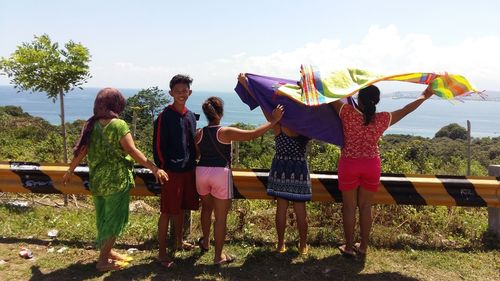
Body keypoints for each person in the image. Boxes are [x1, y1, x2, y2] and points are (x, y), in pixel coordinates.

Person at [63, 88, 168, 272]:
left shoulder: (91, 125)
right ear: (116, 104)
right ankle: (103, 261)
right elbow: (131, 150)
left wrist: (70, 170)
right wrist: (154, 168)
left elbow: (82, 151)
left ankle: (108, 252)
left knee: (103, 219)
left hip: (97, 181)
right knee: (114, 220)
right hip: (117, 180)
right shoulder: (118, 125)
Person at [330, 84, 433, 257]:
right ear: (377, 101)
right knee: (365, 206)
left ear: (358, 99)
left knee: (349, 207)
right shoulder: (383, 119)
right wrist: (426, 94)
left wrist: (310, 80)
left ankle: (348, 247)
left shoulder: (347, 113)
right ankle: (363, 246)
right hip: (371, 165)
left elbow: (329, 95)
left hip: (349, 163)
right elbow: (407, 109)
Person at [195, 96, 284, 265]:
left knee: (206, 210)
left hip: (201, 172)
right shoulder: (225, 132)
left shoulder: (199, 133)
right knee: (220, 218)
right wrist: (273, 120)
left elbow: (197, 154)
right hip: (220, 173)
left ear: (206, 114)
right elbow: (253, 135)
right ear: (220, 113)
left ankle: (205, 242)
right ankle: (218, 256)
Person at [238, 73, 311, 255]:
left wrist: (246, 84)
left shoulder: (278, 124)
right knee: (300, 209)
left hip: (280, 166)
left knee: (281, 208)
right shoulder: (306, 126)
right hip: (300, 168)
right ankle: (303, 245)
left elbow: (262, 102)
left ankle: (280, 244)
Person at [153, 74, 199, 268]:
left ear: (190, 92)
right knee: (167, 211)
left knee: (181, 208)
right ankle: (162, 252)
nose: (181, 94)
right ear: (171, 93)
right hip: (171, 171)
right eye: (177, 91)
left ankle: (179, 242)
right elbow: (157, 146)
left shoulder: (189, 115)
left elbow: (192, 143)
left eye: (185, 91)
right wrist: (163, 168)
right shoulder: (165, 116)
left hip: (189, 169)